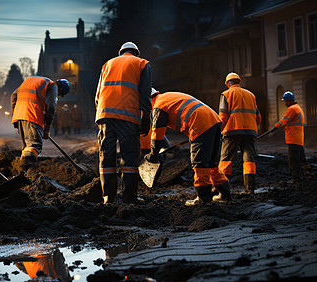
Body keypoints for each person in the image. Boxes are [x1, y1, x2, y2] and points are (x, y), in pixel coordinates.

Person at [145, 89, 231, 206]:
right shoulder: (167, 97)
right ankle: (225, 195)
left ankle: (203, 199)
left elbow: (157, 134)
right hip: (213, 120)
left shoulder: (158, 106)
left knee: (199, 162)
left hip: (199, 122)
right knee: (211, 163)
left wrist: (153, 154)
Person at [95, 41, 152, 204]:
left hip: (104, 114)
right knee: (129, 156)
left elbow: (98, 94)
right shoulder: (142, 63)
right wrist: (146, 117)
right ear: (136, 53)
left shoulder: (107, 64)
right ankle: (129, 198)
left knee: (106, 155)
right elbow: (145, 92)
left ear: (121, 52)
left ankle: (107, 198)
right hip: (127, 114)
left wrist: (99, 117)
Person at [11, 76, 71, 169]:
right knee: (34, 145)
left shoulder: (34, 81)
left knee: (27, 147)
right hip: (32, 116)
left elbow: (13, 96)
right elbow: (50, 106)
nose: (57, 96)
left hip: (19, 116)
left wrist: (15, 114)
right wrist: (47, 127)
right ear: (61, 89)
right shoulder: (53, 86)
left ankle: (21, 171)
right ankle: (26, 170)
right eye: (59, 95)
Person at [218, 72, 261, 195]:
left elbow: (223, 116)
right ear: (239, 82)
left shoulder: (226, 94)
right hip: (250, 133)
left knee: (226, 160)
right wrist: (253, 126)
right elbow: (258, 117)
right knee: (249, 160)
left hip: (232, 131)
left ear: (227, 83)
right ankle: (250, 189)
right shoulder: (251, 95)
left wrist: (219, 130)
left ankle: (223, 192)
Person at [270, 91, 313, 184]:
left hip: (293, 139)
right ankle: (310, 173)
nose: (285, 103)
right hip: (298, 138)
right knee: (302, 159)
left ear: (289, 101)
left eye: (286, 101)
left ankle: (296, 179)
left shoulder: (292, 109)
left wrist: (275, 127)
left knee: (293, 160)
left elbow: (283, 121)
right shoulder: (298, 108)